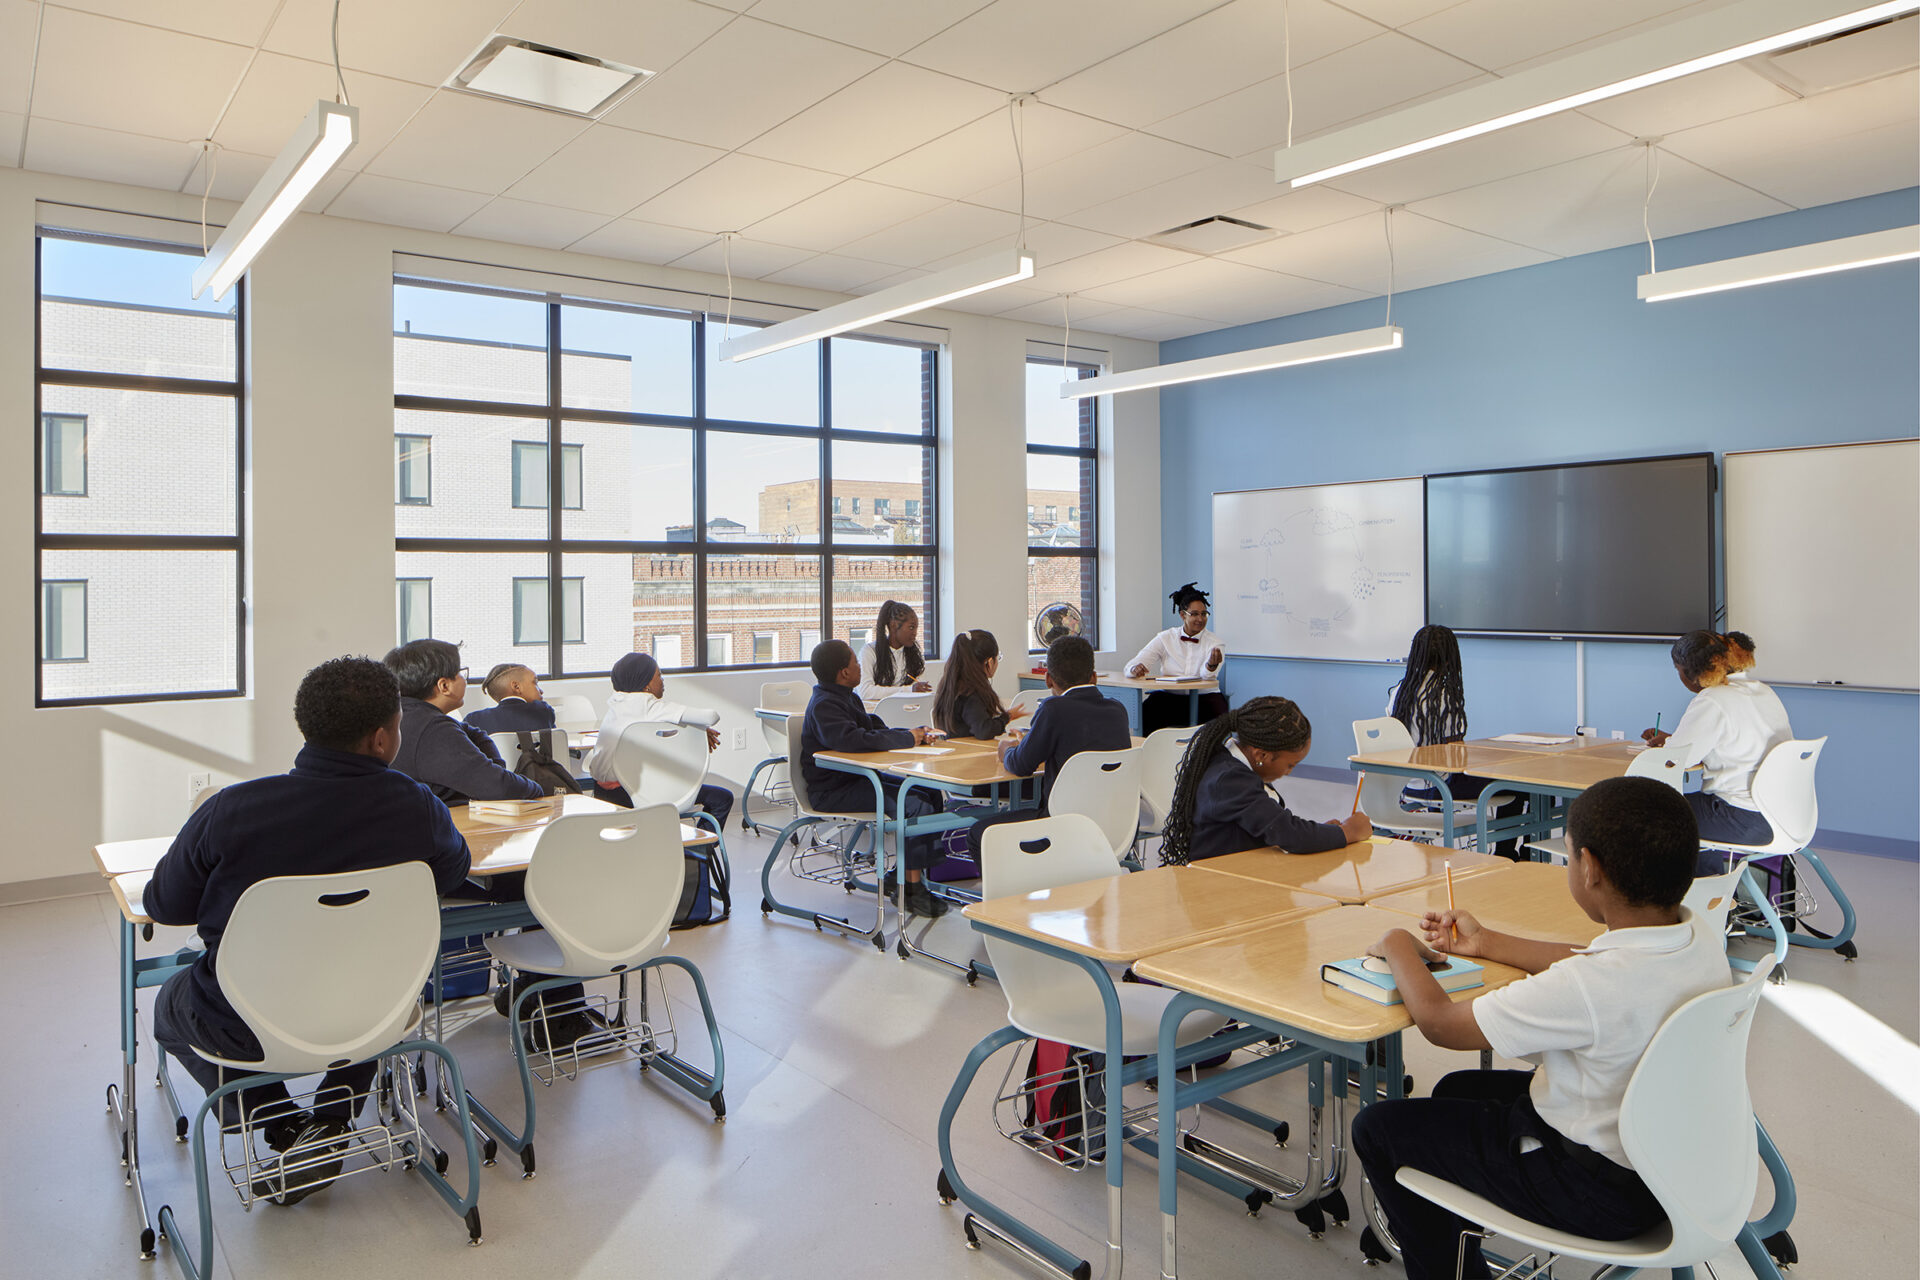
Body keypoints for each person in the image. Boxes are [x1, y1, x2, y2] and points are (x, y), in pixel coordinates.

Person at [1352, 776, 1732, 1280]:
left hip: (1594, 1191)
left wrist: (1398, 942)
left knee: (1377, 1129)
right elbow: (1587, 960)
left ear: (1589, 869)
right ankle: (1444, 1227)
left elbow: (1443, 1026)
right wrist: (1485, 942)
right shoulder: (1695, 935)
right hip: (1666, 1161)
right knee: (1459, 1090)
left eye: (1570, 856)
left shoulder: (1589, 986)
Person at [148, 657, 472, 1205]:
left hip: (248, 1021)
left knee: (168, 1007)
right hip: (373, 1012)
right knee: (376, 990)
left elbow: (165, 904)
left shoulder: (232, 809)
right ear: (380, 739)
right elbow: (449, 874)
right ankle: (333, 1117)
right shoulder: (417, 805)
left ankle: (285, 1127)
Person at [802, 639, 948, 917]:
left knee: (927, 792)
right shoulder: (824, 704)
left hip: (858, 780)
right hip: (833, 790)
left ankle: (902, 873)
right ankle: (912, 889)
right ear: (844, 673)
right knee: (915, 803)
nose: (860, 666)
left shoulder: (848, 697)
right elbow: (853, 740)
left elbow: (874, 728)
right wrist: (906, 738)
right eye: (855, 663)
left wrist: (915, 734)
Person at [966, 634, 1131, 857]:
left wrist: (1008, 750)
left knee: (979, 835)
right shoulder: (1117, 711)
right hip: (1113, 826)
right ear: (1094, 677)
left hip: (1059, 827)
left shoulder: (1053, 709)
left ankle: (1015, 891)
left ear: (1048, 680)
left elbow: (1022, 765)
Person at [1159, 695, 1371, 864]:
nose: (1289, 772)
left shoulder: (1234, 765)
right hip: (1222, 889)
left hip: (1243, 871)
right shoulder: (1229, 780)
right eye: (1290, 765)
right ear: (1261, 755)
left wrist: (1328, 833)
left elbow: (1277, 826)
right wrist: (1348, 831)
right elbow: (1289, 834)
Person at [1642, 630, 1791, 869]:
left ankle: (1683, 892)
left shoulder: (1712, 698)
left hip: (1743, 818)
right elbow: (1736, 739)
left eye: (1678, 670)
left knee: (1649, 811)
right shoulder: (1762, 690)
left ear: (1690, 672)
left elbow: (1678, 759)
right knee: (1688, 811)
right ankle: (1710, 891)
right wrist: (1672, 740)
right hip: (1784, 813)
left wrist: (1669, 746)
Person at [1387, 624, 1526, 858]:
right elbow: (1455, 754)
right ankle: (1508, 852)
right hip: (1441, 786)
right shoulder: (1442, 697)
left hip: (1406, 784)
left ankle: (1510, 852)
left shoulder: (1400, 691)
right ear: (1449, 659)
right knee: (1521, 784)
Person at [382, 639, 546, 806]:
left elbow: (476, 740)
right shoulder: (433, 729)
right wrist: (539, 789)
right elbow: (499, 787)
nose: (464, 679)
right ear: (444, 686)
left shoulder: (401, 716)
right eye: (460, 672)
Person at [584, 651, 735, 832]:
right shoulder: (651, 706)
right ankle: (698, 851)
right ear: (647, 684)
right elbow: (711, 716)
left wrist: (697, 730)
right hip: (640, 793)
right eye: (659, 676)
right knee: (722, 798)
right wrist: (699, 728)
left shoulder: (615, 706)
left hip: (603, 793)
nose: (663, 681)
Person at [1128, 582, 1229, 735]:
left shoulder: (1215, 643)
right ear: (1182, 615)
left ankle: (1210, 757)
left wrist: (1210, 666)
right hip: (1171, 698)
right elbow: (1133, 664)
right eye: (1194, 614)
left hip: (1205, 698)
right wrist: (1135, 669)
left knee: (1221, 721)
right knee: (1147, 712)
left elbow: (1207, 677)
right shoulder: (1165, 638)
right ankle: (1148, 754)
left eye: (1204, 614)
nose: (1200, 619)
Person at [932, 628, 1029, 741]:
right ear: (989, 662)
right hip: (967, 753)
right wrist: (1006, 717)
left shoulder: (951, 684)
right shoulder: (971, 691)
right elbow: (983, 730)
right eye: (997, 658)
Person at [857, 599, 932, 701]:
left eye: (916, 628)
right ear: (893, 625)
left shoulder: (914, 654)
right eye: (911, 627)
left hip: (906, 710)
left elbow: (918, 689)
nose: (915, 633)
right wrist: (908, 690)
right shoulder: (869, 651)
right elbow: (865, 692)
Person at [463, 663, 558, 735]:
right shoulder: (543, 711)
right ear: (516, 687)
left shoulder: (474, 720)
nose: (541, 691)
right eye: (535, 683)